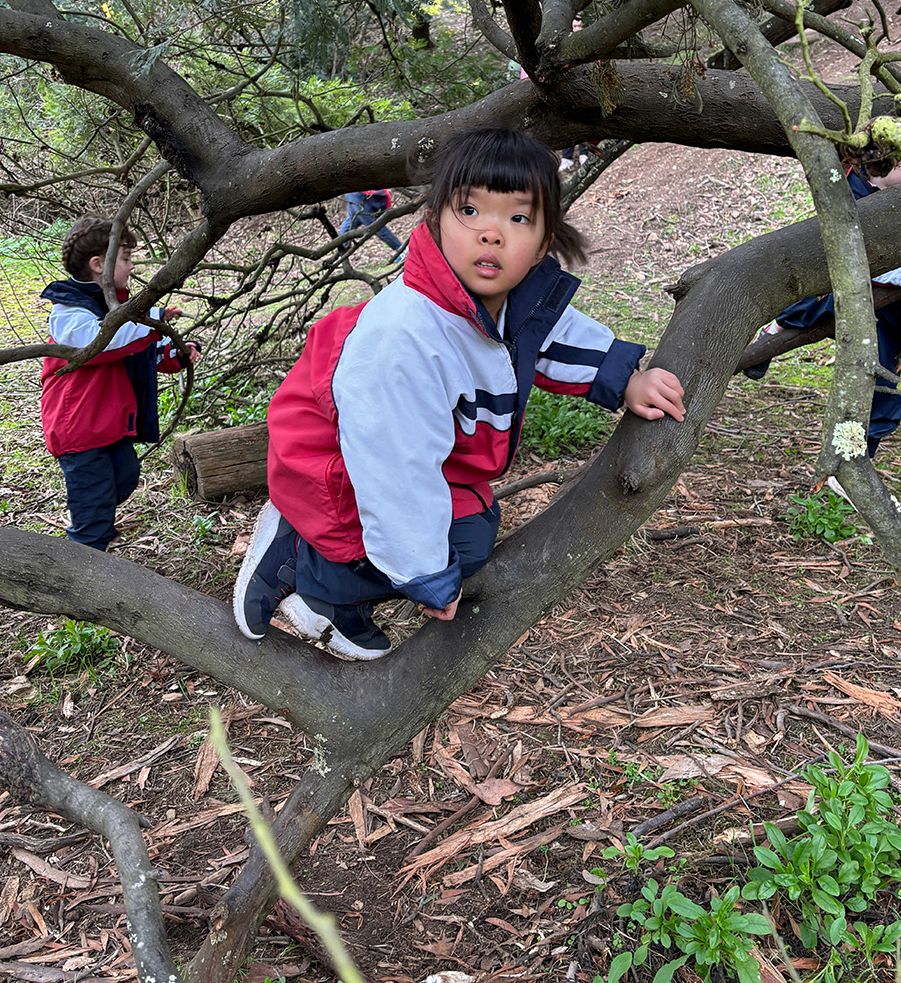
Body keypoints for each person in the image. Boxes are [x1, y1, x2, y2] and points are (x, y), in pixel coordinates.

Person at [234, 128, 686, 659]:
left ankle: (336, 590)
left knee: (469, 529)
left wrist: (624, 377)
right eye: (470, 211)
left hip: (413, 457)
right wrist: (425, 574)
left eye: (517, 218)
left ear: (542, 243)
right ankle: (303, 564)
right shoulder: (405, 338)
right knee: (447, 547)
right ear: (436, 220)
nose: (491, 234)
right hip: (336, 464)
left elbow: (549, 336)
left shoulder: (506, 301)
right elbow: (395, 475)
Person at [743, 156, 901, 459]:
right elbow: (847, 257)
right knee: (821, 303)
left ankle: (857, 462)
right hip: (850, 294)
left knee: (884, 386)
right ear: (887, 163)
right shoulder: (848, 196)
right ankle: (780, 326)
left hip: (891, 312)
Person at [40, 217, 198, 552]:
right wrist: (150, 319)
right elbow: (99, 344)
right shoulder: (69, 311)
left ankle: (96, 524)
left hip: (108, 424)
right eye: (126, 259)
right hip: (79, 429)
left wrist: (175, 353)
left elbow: (139, 353)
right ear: (99, 265)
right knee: (94, 500)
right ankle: (84, 557)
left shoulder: (118, 308)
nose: (131, 266)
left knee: (124, 477)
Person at [338, 188, 402, 253]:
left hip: (359, 194)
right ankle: (341, 256)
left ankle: (400, 248)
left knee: (372, 225)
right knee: (348, 228)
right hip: (356, 194)